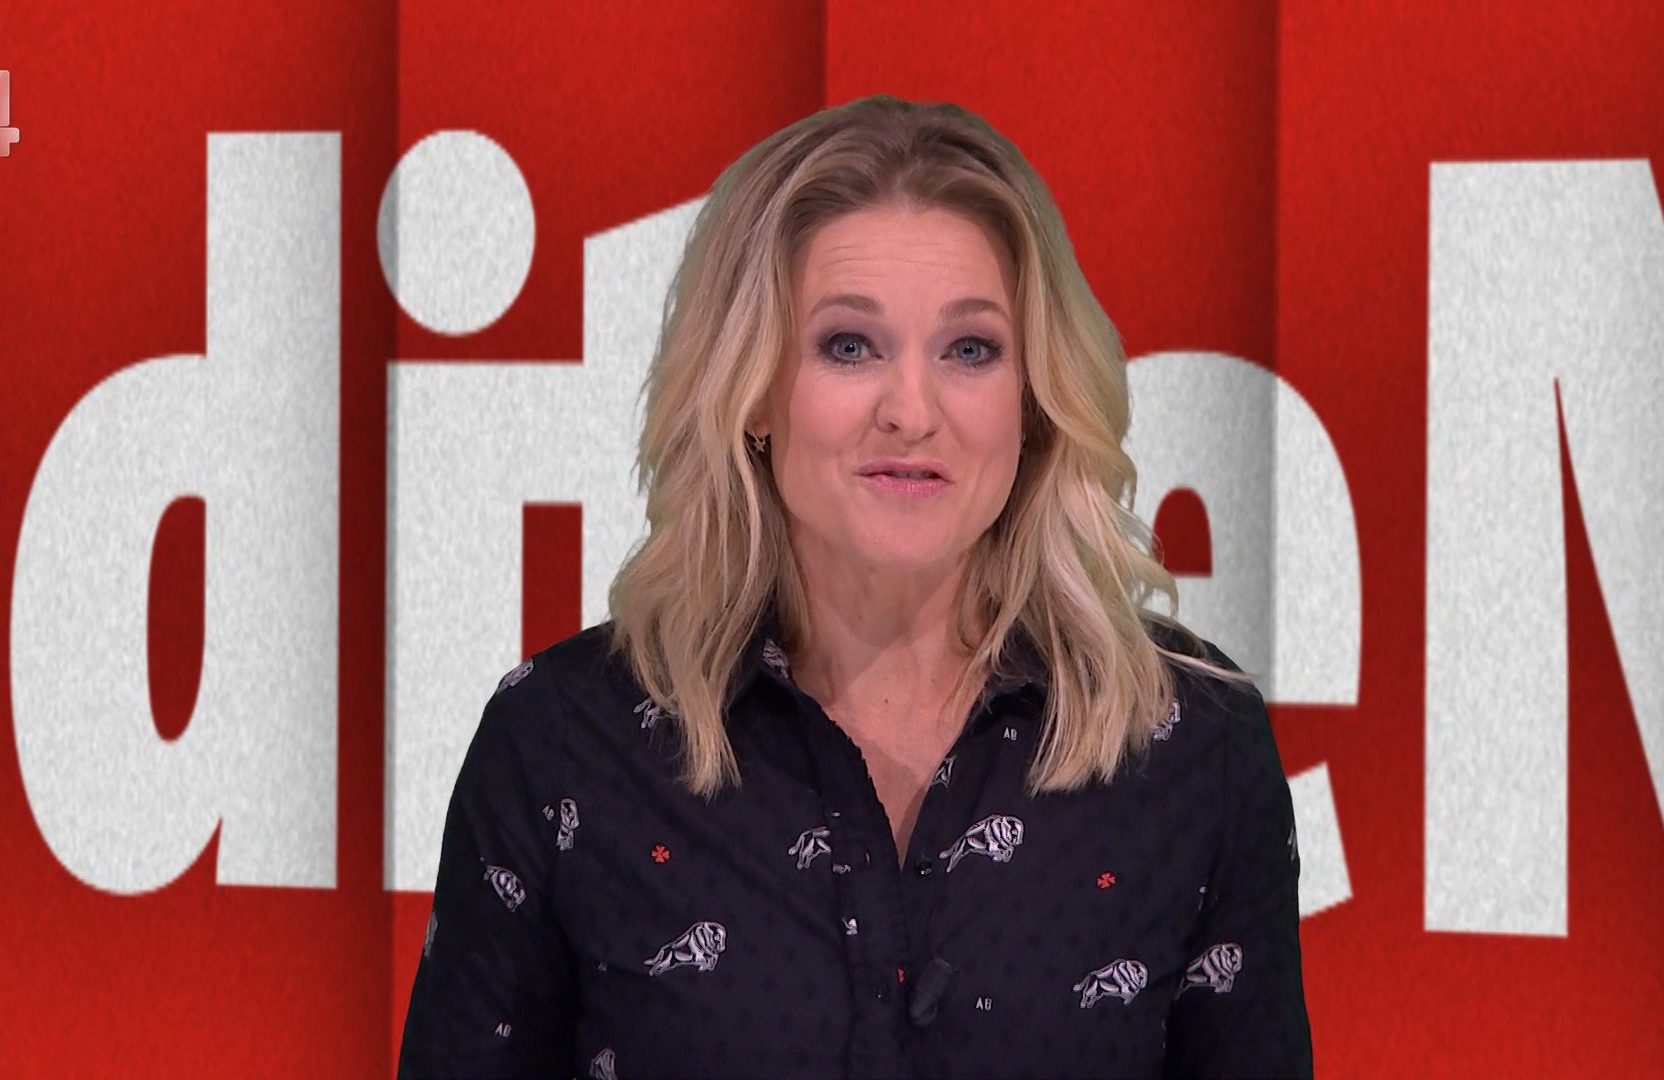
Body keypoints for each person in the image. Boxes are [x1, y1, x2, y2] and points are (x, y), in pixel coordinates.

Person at [397, 93, 1313, 1079]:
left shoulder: (1192, 744)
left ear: (1034, 400)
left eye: (970, 350)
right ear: (751, 391)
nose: (911, 410)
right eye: (849, 346)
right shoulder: (564, 741)